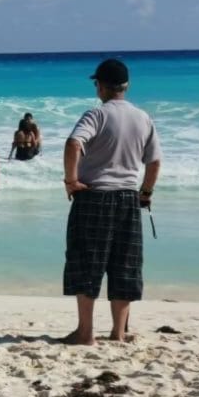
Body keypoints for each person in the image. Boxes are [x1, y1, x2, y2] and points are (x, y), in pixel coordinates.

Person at [61, 59, 162, 345]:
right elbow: (154, 161)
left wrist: (71, 181)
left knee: (86, 262)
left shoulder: (96, 115)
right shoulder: (143, 118)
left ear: (101, 86)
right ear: (126, 86)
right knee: (125, 264)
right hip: (128, 199)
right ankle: (118, 331)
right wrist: (146, 193)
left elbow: (73, 144)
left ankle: (85, 332)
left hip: (94, 196)